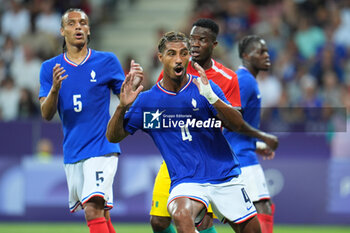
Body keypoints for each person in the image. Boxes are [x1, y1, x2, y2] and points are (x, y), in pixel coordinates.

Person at [106, 31, 261, 233]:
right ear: (160, 57)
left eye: (183, 53)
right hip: (187, 181)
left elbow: (237, 125)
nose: (178, 59)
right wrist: (122, 107)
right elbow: (113, 136)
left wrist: (212, 97)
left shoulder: (205, 87)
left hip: (224, 175)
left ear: (189, 56)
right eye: (171, 53)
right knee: (179, 214)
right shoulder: (147, 101)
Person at [152, 18, 278, 233]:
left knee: (203, 221)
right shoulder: (174, 69)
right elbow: (162, 107)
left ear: (214, 44)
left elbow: (233, 122)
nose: (196, 44)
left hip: (209, 159)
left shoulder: (228, 78)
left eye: (202, 40)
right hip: (176, 157)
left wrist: (209, 98)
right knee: (158, 222)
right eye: (192, 39)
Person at [38, 8, 143, 233]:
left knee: (92, 209)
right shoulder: (50, 68)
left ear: (89, 30)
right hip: (74, 151)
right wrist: (55, 89)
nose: (78, 27)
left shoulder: (106, 61)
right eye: (72, 23)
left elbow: (125, 97)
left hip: (102, 146)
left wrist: (132, 88)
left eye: (83, 23)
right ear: (62, 31)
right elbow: (46, 114)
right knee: (102, 213)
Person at [223, 35, 279, 233]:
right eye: (260, 51)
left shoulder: (246, 80)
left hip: (242, 151)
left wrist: (256, 144)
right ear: (245, 55)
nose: (266, 55)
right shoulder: (245, 81)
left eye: (266, 51)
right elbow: (230, 121)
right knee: (262, 206)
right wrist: (263, 136)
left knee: (247, 216)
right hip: (242, 158)